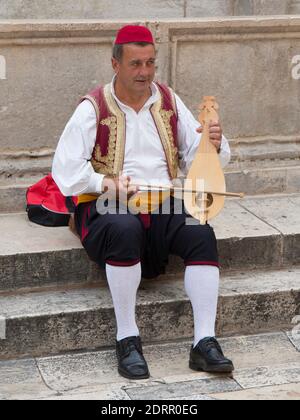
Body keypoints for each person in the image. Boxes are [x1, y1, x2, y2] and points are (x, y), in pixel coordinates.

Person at [52, 25, 234, 380]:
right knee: (122, 226)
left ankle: (204, 342)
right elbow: (65, 170)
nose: (145, 72)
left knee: (200, 229)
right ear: (115, 64)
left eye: (150, 63)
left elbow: (197, 157)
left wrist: (214, 144)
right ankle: (127, 338)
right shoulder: (93, 107)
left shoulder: (168, 100)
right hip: (106, 203)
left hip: (163, 201)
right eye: (136, 64)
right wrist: (105, 182)